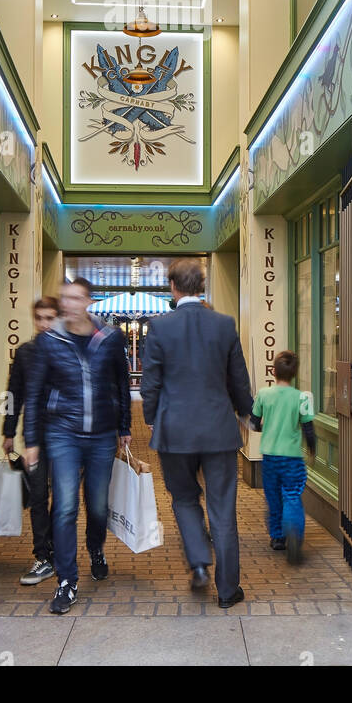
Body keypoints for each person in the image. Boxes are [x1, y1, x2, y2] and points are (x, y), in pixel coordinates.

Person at [140, 257, 253, 609]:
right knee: (223, 509)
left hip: (175, 432)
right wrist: (246, 414)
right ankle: (228, 590)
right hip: (219, 430)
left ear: (172, 287)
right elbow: (238, 377)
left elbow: (151, 384)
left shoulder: (160, 327)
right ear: (201, 286)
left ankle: (200, 561)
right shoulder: (224, 324)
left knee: (184, 498)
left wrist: (151, 418)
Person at [24, 278, 131, 615]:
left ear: (88, 301)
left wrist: (124, 427)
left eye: (75, 298)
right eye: (64, 298)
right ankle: (66, 580)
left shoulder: (110, 338)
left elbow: (122, 383)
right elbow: (35, 391)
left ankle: (95, 548)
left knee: (97, 505)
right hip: (62, 433)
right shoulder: (49, 340)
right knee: (66, 505)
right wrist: (31, 441)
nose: (68, 304)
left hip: (101, 434)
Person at [1, 296, 59, 585]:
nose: (45, 323)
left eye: (50, 318)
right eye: (40, 318)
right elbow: (12, 395)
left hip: (65, 438)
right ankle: (42, 556)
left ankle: (58, 550)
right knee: (38, 496)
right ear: (34, 319)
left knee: (62, 499)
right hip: (34, 437)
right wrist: (8, 432)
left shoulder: (68, 351)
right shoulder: (25, 353)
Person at [249, 349, 316, 565]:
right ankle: (294, 534)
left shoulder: (263, 394)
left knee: (273, 496)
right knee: (292, 495)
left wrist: (265, 426)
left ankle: (277, 537)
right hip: (293, 457)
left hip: (269, 456)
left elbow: (253, 423)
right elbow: (308, 429)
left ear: (273, 371)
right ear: (294, 373)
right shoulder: (301, 397)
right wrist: (313, 451)